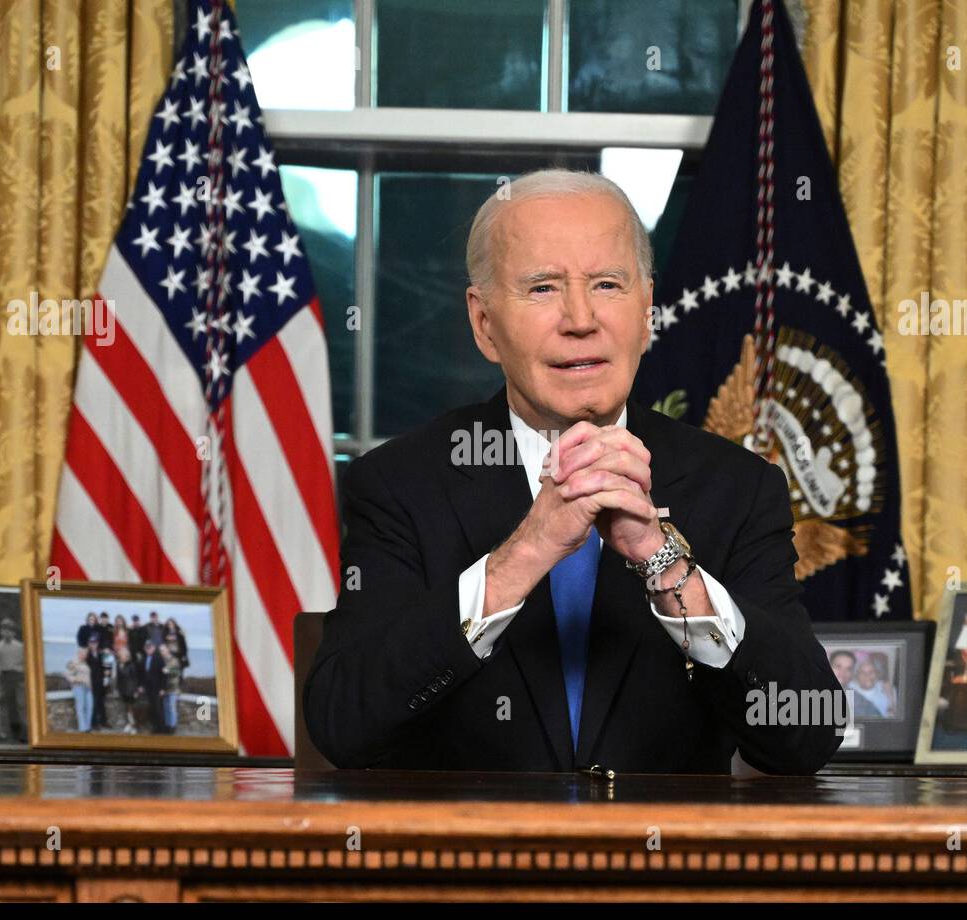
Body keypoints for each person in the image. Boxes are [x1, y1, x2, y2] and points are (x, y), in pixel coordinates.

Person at [305, 169, 844, 774]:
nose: (580, 318)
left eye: (608, 284)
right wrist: (527, 553)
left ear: (647, 312)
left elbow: (807, 732)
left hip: (662, 861)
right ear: (484, 324)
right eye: (542, 289)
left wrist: (663, 562)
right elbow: (342, 724)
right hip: (472, 860)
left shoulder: (739, 487)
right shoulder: (399, 484)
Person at [0, 618, 26, 741]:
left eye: (9, 631)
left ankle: (24, 732)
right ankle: (14, 732)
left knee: (20, 704)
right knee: (9, 705)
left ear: (14, 632)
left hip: (18, 677)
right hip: (5, 677)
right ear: (1, 632)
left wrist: (23, 678)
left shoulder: (20, 646)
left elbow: (25, 664)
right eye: (4, 630)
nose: (6, 633)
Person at [828, 650, 881, 719]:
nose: (843, 673)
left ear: (852, 674)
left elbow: (879, 721)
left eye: (848, 669)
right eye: (838, 666)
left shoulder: (858, 700)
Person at [115, 647, 144, 734]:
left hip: (131, 690)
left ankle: (134, 726)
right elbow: (119, 679)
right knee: (127, 709)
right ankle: (129, 724)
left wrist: (136, 691)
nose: (123, 656)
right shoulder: (118, 664)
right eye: (121, 655)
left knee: (132, 709)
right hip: (123, 690)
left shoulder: (131, 665)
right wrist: (118, 689)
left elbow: (135, 679)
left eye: (125, 655)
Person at [85, 631, 109, 730]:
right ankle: (94, 723)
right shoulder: (87, 655)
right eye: (91, 642)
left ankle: (104, 721)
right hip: (91, 683)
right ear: (89, 643)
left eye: (95, 642)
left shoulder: (101, 654)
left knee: (101, 702)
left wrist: (107, 677)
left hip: (101, 682)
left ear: (97, 643)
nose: (93, 644)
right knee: (93, 703)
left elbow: (107, 665)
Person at [142, 640, 167, 733]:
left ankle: (161, 729)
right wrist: (142, 686)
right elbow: (143, 674)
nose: (148, 649)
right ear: (145, 648)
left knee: (158, 709)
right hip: (149, 688)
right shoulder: (144, 658)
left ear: (153, 648)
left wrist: (163, 689)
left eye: (150, 647)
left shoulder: (159, 658)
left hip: (158, 688)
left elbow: (165, 675)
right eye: (146, 647)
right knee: (152, 708)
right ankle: (155, 727)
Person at [65, 653, 93, 732]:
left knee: (89, 707)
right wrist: (77, 679)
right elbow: (67, 675)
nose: (83, 654)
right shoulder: (74, 662)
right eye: (81, 653)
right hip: (79, 687)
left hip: (88, 688)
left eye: (84, 653)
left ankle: (88, 727)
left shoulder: (85, 663)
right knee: (80, 707)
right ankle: (83, 728)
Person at [160, 645, 182, 734]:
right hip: (165, 688)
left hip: (173, 688)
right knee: (166, 708)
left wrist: (169, 671)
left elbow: (178, 672)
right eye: (161, 651)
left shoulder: (174, 660)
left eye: (163, 650)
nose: (162, 652)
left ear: (167, 650)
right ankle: (167, 726)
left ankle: (173, 728)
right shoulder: (162, 661)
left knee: (172, 708)